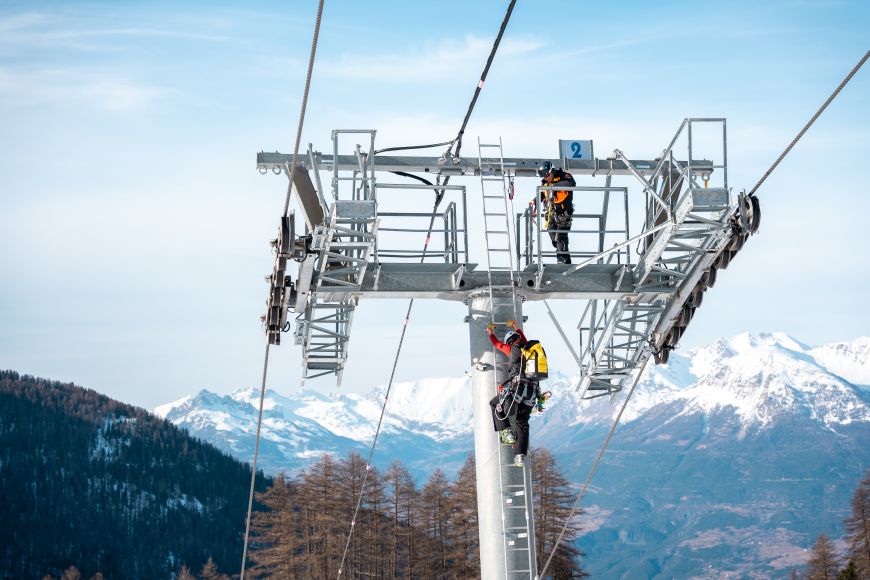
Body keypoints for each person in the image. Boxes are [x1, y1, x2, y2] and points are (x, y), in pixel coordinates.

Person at [486, 319, 540, 467]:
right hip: (532, 391)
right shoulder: (529, 348)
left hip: (517, 389)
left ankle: (506, 432)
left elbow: (496, 344)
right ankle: (520, 456)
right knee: (522, 423)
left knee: (495, 404)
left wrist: (490, 331)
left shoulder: (511, 348)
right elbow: (522, 335)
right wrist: (515, 325)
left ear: (510, 341)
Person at [531, 161, 576, 264]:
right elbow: (542, 194)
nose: (546, 177)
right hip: (551, 214)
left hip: (564, 213)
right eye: (543, 176)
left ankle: (562, 259)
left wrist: (553, 186)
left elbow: (571, 184)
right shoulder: (546, 182)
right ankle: (565, 257)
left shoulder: (565, 177)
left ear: (552, 171)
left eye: (547, 175)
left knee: (561, 236)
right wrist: (534, 202)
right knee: (554, 236)